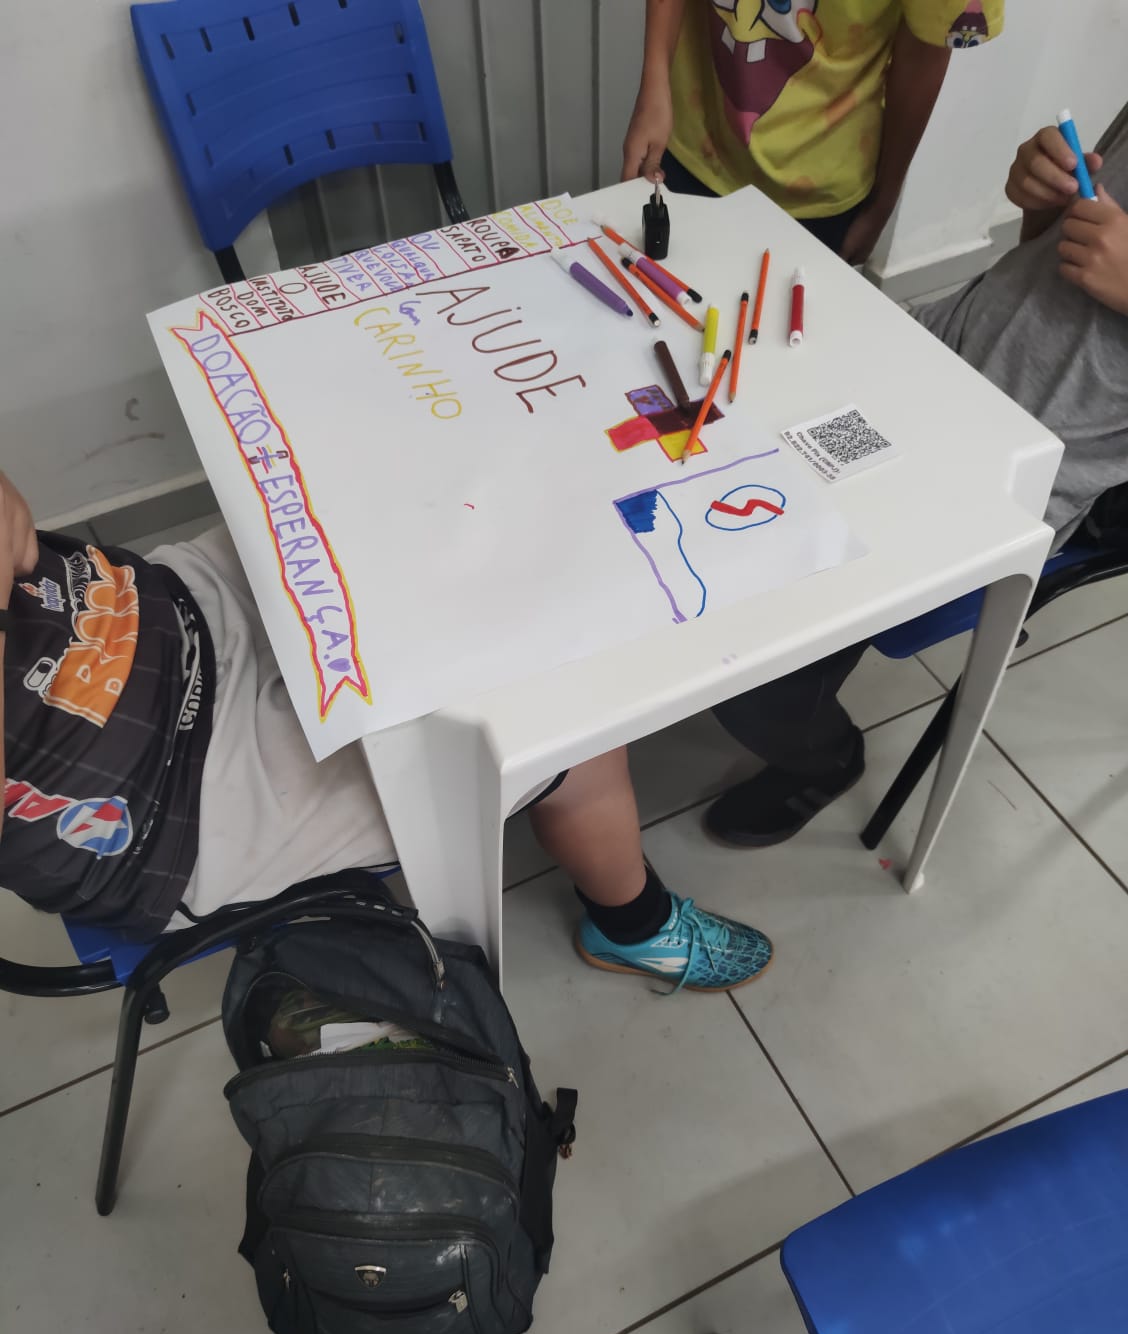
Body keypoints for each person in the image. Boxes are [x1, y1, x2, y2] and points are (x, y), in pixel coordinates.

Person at [0, 472, 772, 992]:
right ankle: (635, 927)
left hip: (159, 606)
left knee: (417, 496)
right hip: (167, 805)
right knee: (570, 731)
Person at [702, 105, 1128, 848]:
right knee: (722, 447)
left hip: (1011, 465)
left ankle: (827, 758)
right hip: (941, 350)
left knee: (751, 673)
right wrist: (1044, 206)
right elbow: (1058, 259)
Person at [621, 0, 1003, 262]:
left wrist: (883, 201)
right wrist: (653, 85)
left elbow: (925, 49)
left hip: (823, 189)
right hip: (692, 141)